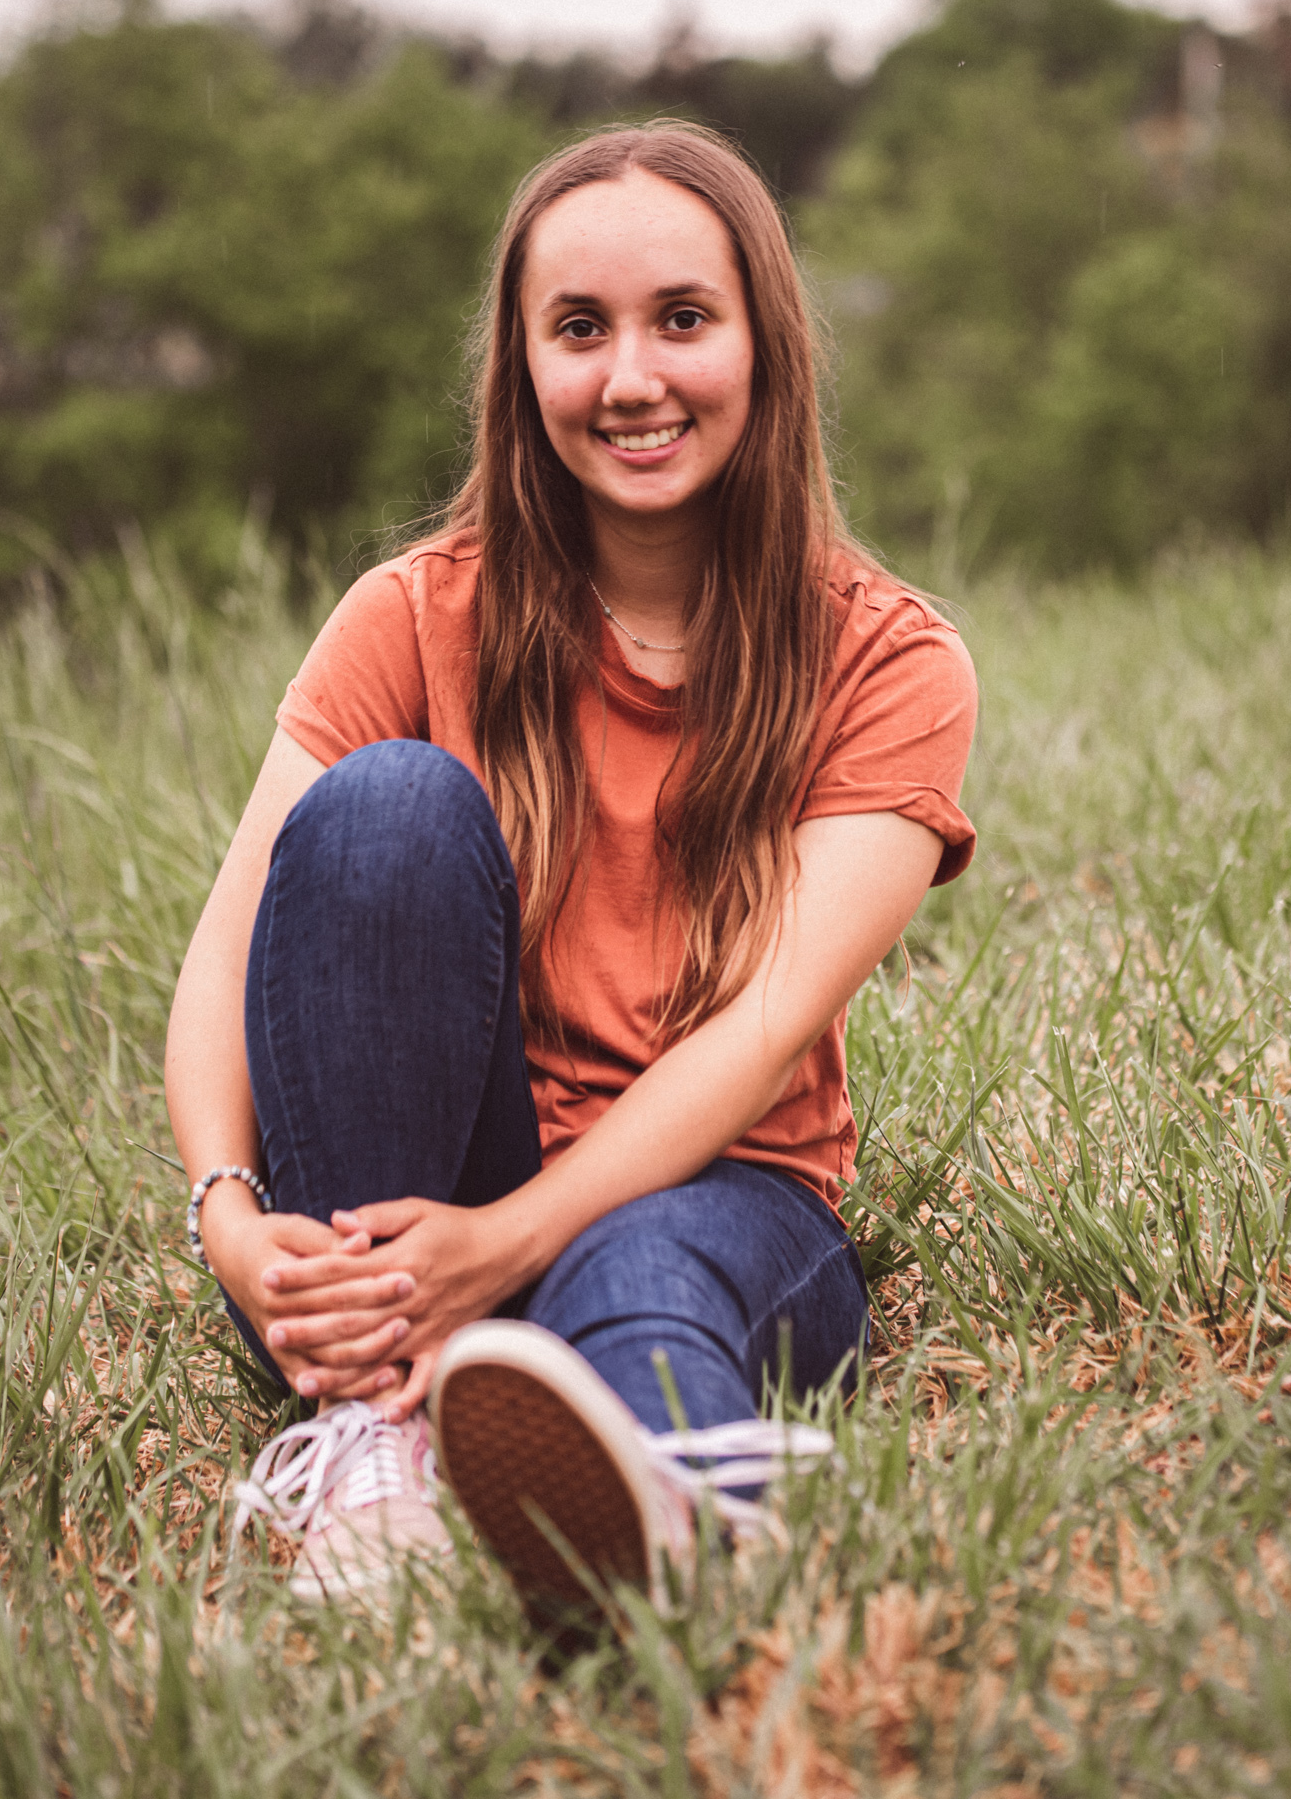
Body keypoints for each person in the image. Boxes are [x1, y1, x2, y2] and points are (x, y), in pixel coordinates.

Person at [165, 122, 977, 1621]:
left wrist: (509, 1248)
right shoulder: (411, 615)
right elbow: (226, 962)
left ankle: (668, 1526)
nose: (632, 378)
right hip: (403, 1209)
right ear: (523, 366)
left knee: (643, 1278)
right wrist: (231, 1216)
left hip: (723, 1198)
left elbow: (762, 1033)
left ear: (764, 342)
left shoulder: (888, 658)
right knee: (385, 804)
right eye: (580, 328)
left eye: (684, 319)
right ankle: (376, 1443)